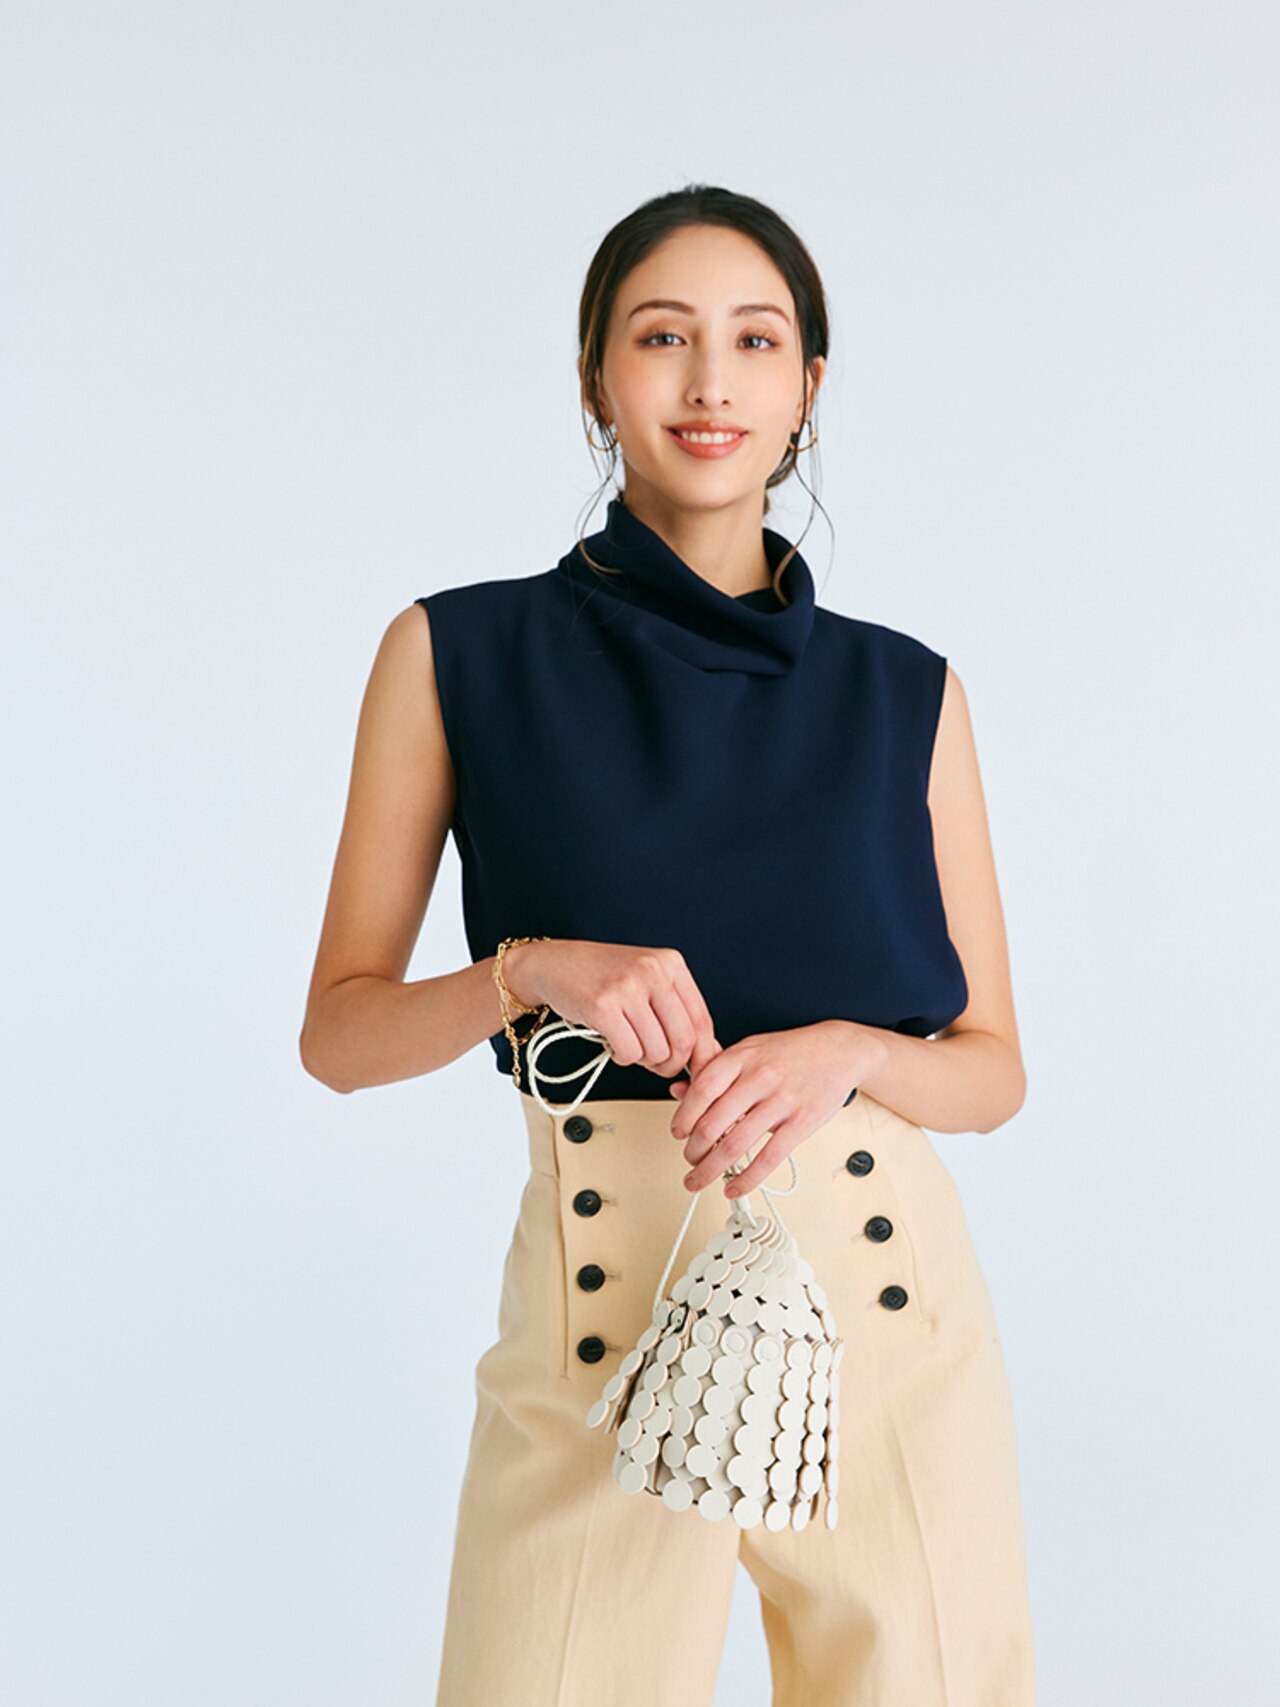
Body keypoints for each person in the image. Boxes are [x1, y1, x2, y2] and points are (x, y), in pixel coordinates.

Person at [299, 183, 1037, 1707]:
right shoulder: (456, 652)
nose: (711, 383)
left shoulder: (909, 693)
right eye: (661, 337)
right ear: (596, 377)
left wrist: (850, 1053)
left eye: (756, 341)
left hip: (887, 1307)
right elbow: (340, 1035)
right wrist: (525, 970)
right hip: (600, 1316)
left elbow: (992, 1072)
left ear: (808, 387)